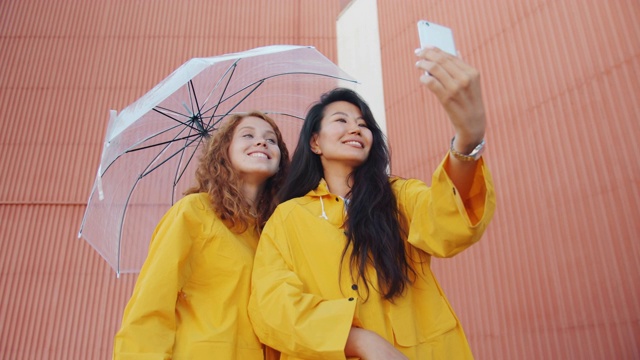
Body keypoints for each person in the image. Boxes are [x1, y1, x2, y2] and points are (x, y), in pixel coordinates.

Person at [248, 47, 496, 359]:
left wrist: (467, 142)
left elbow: (451, 223)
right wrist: (359, 340)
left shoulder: (399, 196)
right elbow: (272, 307)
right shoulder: (288, 218)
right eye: (341, 120)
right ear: (315, 142)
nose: (356, 128)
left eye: (363, 124)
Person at [113, 111, 290, 359]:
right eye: (247, 135)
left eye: (271, 140)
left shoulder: (276, 231)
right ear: (223, 152)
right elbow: (151, 306)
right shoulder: (194, 212)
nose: (262, 142)